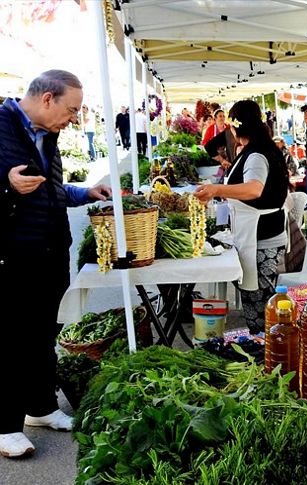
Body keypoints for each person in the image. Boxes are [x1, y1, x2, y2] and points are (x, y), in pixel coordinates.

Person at [0, 70, 112, 458]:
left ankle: (41, 408)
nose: (74, 118)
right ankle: (6, 427)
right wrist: (6, 186)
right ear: (47, 99)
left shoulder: (49, 134)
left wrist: (85, 193)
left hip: (49, 249)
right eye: (72, 109)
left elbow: (51, 188)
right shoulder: (1, 126)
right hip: (13, 252)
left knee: (43, 332)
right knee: (13, 338)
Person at [194, 100, 288, 334]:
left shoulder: (256, 154)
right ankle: (266, 349)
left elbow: (253, 189)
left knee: (261, 303)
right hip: (256, 232)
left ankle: (269, 353)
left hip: (261, 236)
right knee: (257, 300)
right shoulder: (256, 149)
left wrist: (217, 190)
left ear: (235, 128)